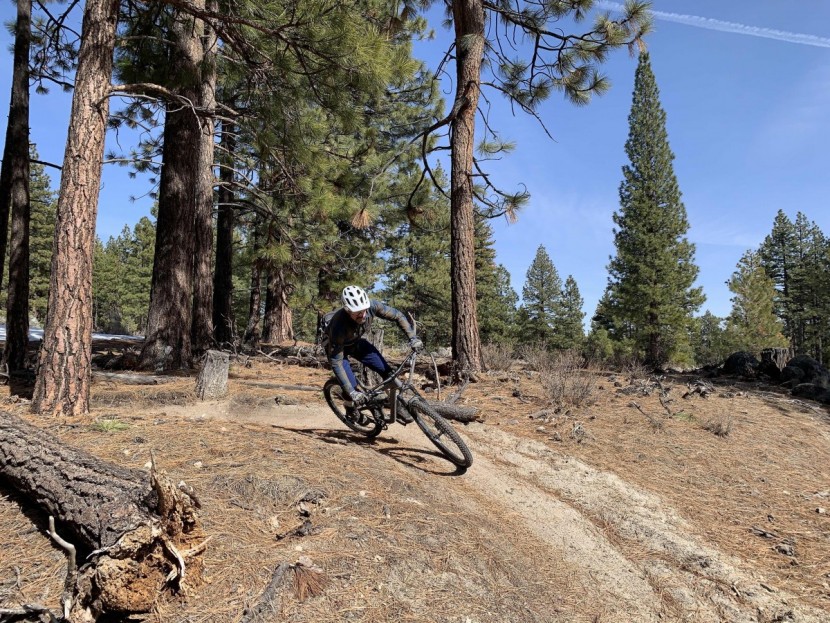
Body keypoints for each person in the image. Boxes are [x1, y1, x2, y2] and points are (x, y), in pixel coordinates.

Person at [324, 285, 423, 419]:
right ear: (347, 310)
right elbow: (336, 362)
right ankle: (349, 406)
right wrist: (352, 393)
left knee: (388, 373)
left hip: (356, 343)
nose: (363, 314)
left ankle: (397, 406)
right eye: (357, 312)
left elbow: (398, 316)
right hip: (337, 350)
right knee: (351, 386)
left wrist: (413, 338)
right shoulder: (338, 326)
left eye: (364, 310)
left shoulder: (372, 306)